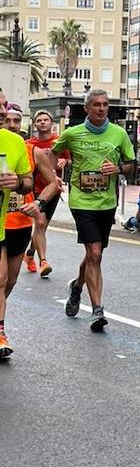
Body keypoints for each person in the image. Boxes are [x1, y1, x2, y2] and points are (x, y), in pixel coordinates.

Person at [55, 89, 136, 333]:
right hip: (82, 202)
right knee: (95, 252)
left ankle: (77, 286)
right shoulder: (72, 133)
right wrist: (54, 177)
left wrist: (118, 169)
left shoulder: (119, 134)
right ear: (87, 108)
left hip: (106, 203)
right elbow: (52, 152)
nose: (101, 109)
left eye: (105, 105)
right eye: (96, 105)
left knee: (95, 255)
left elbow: (132, 165)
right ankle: (97, 309)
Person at [2, 106, 59, 343]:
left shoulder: (32, 151)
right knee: (1, 278)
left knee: (10, 281)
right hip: (1, 225)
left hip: (20, 223)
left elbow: (53, 183)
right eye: (7, 120)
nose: (12, 124)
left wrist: (38, 202)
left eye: (17, 120)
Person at [0, 92, 33, 359]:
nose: (3, 110)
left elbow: (29, 181)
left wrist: (19, 184)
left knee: (4, 280)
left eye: (5, 105)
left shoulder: (14, 142)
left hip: (9, 225)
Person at [25, 109, 63, 277]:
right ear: (35, 124)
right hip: (34, 189)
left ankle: (30, 254)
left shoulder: (59, 142)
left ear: (51, 123)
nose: (42, 122)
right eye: (39, 120)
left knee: (42, 227)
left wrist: (65, 161)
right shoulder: (29, 145)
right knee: (40, 224)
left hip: (53, 189)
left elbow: (70, 159)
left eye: (45, 119)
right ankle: (43, 261)